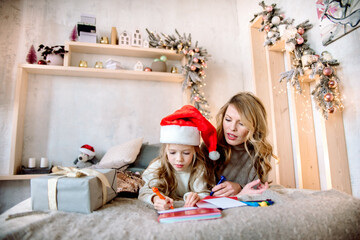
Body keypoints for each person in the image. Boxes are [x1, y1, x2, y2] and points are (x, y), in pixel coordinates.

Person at [138, 105, 220, 211]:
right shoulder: (157, 166)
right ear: (165, 152)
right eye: (172, 153)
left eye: (186, 153)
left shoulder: (199, 167)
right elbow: (144, 191)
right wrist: (155, 199)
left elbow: (205, 192)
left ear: (195, 152)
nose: (179, 159)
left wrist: (197, 197)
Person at [202, 92, 274, 197]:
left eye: (241, 124)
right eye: (228, 119)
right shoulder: (209, 147)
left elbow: (258, 188)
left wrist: (239, 187)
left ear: (255, 126)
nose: (232, 128)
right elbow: (200, 190)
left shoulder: (262, 150)